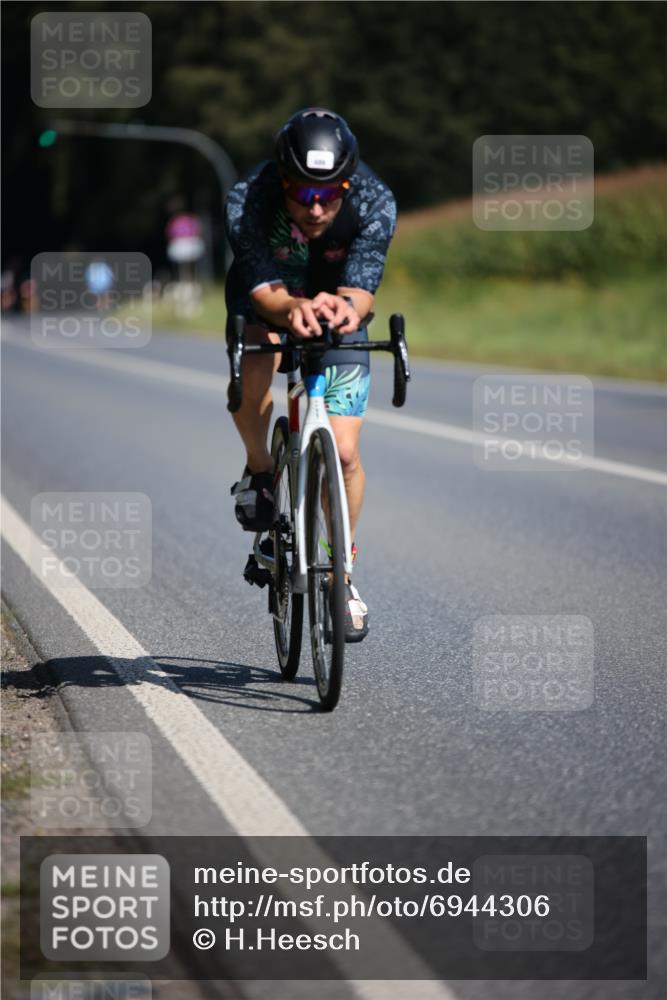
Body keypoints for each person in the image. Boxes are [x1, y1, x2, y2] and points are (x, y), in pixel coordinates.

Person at [224, 107, 397, 642]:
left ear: (349, 182)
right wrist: (287, 309)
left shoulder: (375, 201)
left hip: (334, 304)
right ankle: (259, 471)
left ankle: (340, 576)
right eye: (303, 193)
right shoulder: (248, 198)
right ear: (283, 181)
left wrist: (346, 310)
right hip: (269, 297)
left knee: (344, 454)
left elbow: (362, 288)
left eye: (330, 192)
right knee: (256, 368)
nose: (317, 206)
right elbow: (262, 286)